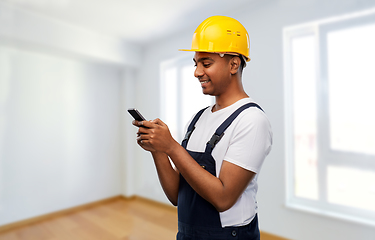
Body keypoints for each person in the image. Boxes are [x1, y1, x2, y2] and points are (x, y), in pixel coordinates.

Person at [133, 16, 272, 240]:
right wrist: (159, 150)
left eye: (206, 63)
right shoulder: (197, 119)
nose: (197, 72)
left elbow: (224, 198)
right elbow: (178, 196)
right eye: (196, 64)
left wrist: (172, 147)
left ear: (233, 64)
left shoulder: (252, 120)